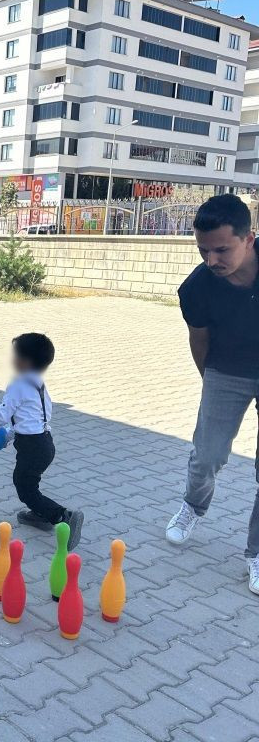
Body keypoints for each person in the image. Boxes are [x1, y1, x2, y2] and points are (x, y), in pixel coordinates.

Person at [166, 194, 259, 595]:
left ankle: (256, 554)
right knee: (208, 454)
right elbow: (198, 340)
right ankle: (193, 505)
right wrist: (213, 384)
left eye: (222, 249)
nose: (211, 260)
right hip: (227, 369)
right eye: (203, 250)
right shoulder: (197, 289)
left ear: (249, 239)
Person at [0, 332, 83, 550]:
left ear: (25, 361)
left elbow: (5, 412)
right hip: (45, 442)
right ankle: (40, 514)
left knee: (24, 487)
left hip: (32, 447)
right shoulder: (38, 385)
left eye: (15, 355)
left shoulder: (18, 385)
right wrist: (8, 435)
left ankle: (63, 516)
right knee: (30, 482)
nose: (11, 359)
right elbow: (32, 417)